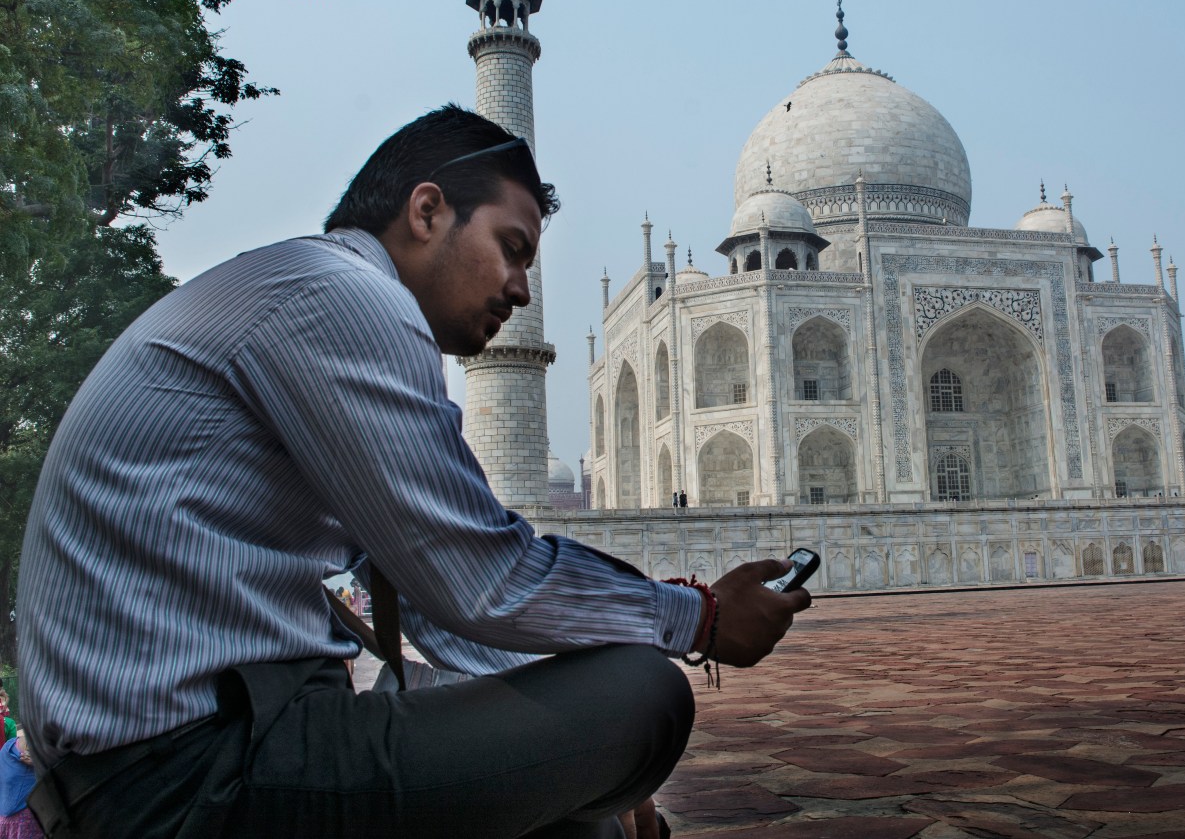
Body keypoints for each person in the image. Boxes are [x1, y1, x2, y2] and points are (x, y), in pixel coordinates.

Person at [17, 105, 811, 838]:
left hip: (171, 763)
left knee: (581, 813)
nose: (522, 287)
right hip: (184, 776)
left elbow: (424, 604)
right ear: (427, 211)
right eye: (511, 246)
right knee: (645, 696)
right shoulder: (345, 298)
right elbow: (481, 575)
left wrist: (593, 764)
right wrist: (695, 617)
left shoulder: (303, 292)